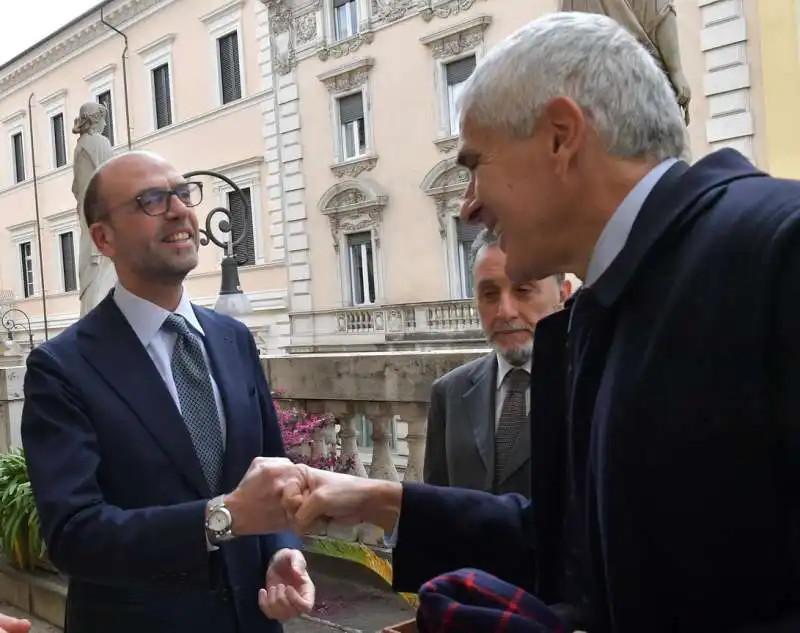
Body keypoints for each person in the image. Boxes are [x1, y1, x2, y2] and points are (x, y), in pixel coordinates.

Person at [275, 11, 800, 633]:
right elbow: (580, 548)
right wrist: (379, 499)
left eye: (476, 163)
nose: (468, 205)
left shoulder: (778, 249)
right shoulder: (602, 313)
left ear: (560, 136)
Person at [21, 152, 313, 633]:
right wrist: (220, 518)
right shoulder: (62, 368)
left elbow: (273, 473)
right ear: (103, 238)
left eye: (182, 192)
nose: (179, 210)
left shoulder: (233, 339)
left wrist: (282, 550)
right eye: (151, 200)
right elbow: (74, 535)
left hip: (251, 620)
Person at [424, 228, 570, 496]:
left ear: (563, 294)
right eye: (490, 295)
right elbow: (438, 509)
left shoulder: (594, 386)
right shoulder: (449, 392)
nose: (505, 311)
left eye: (523, 290)